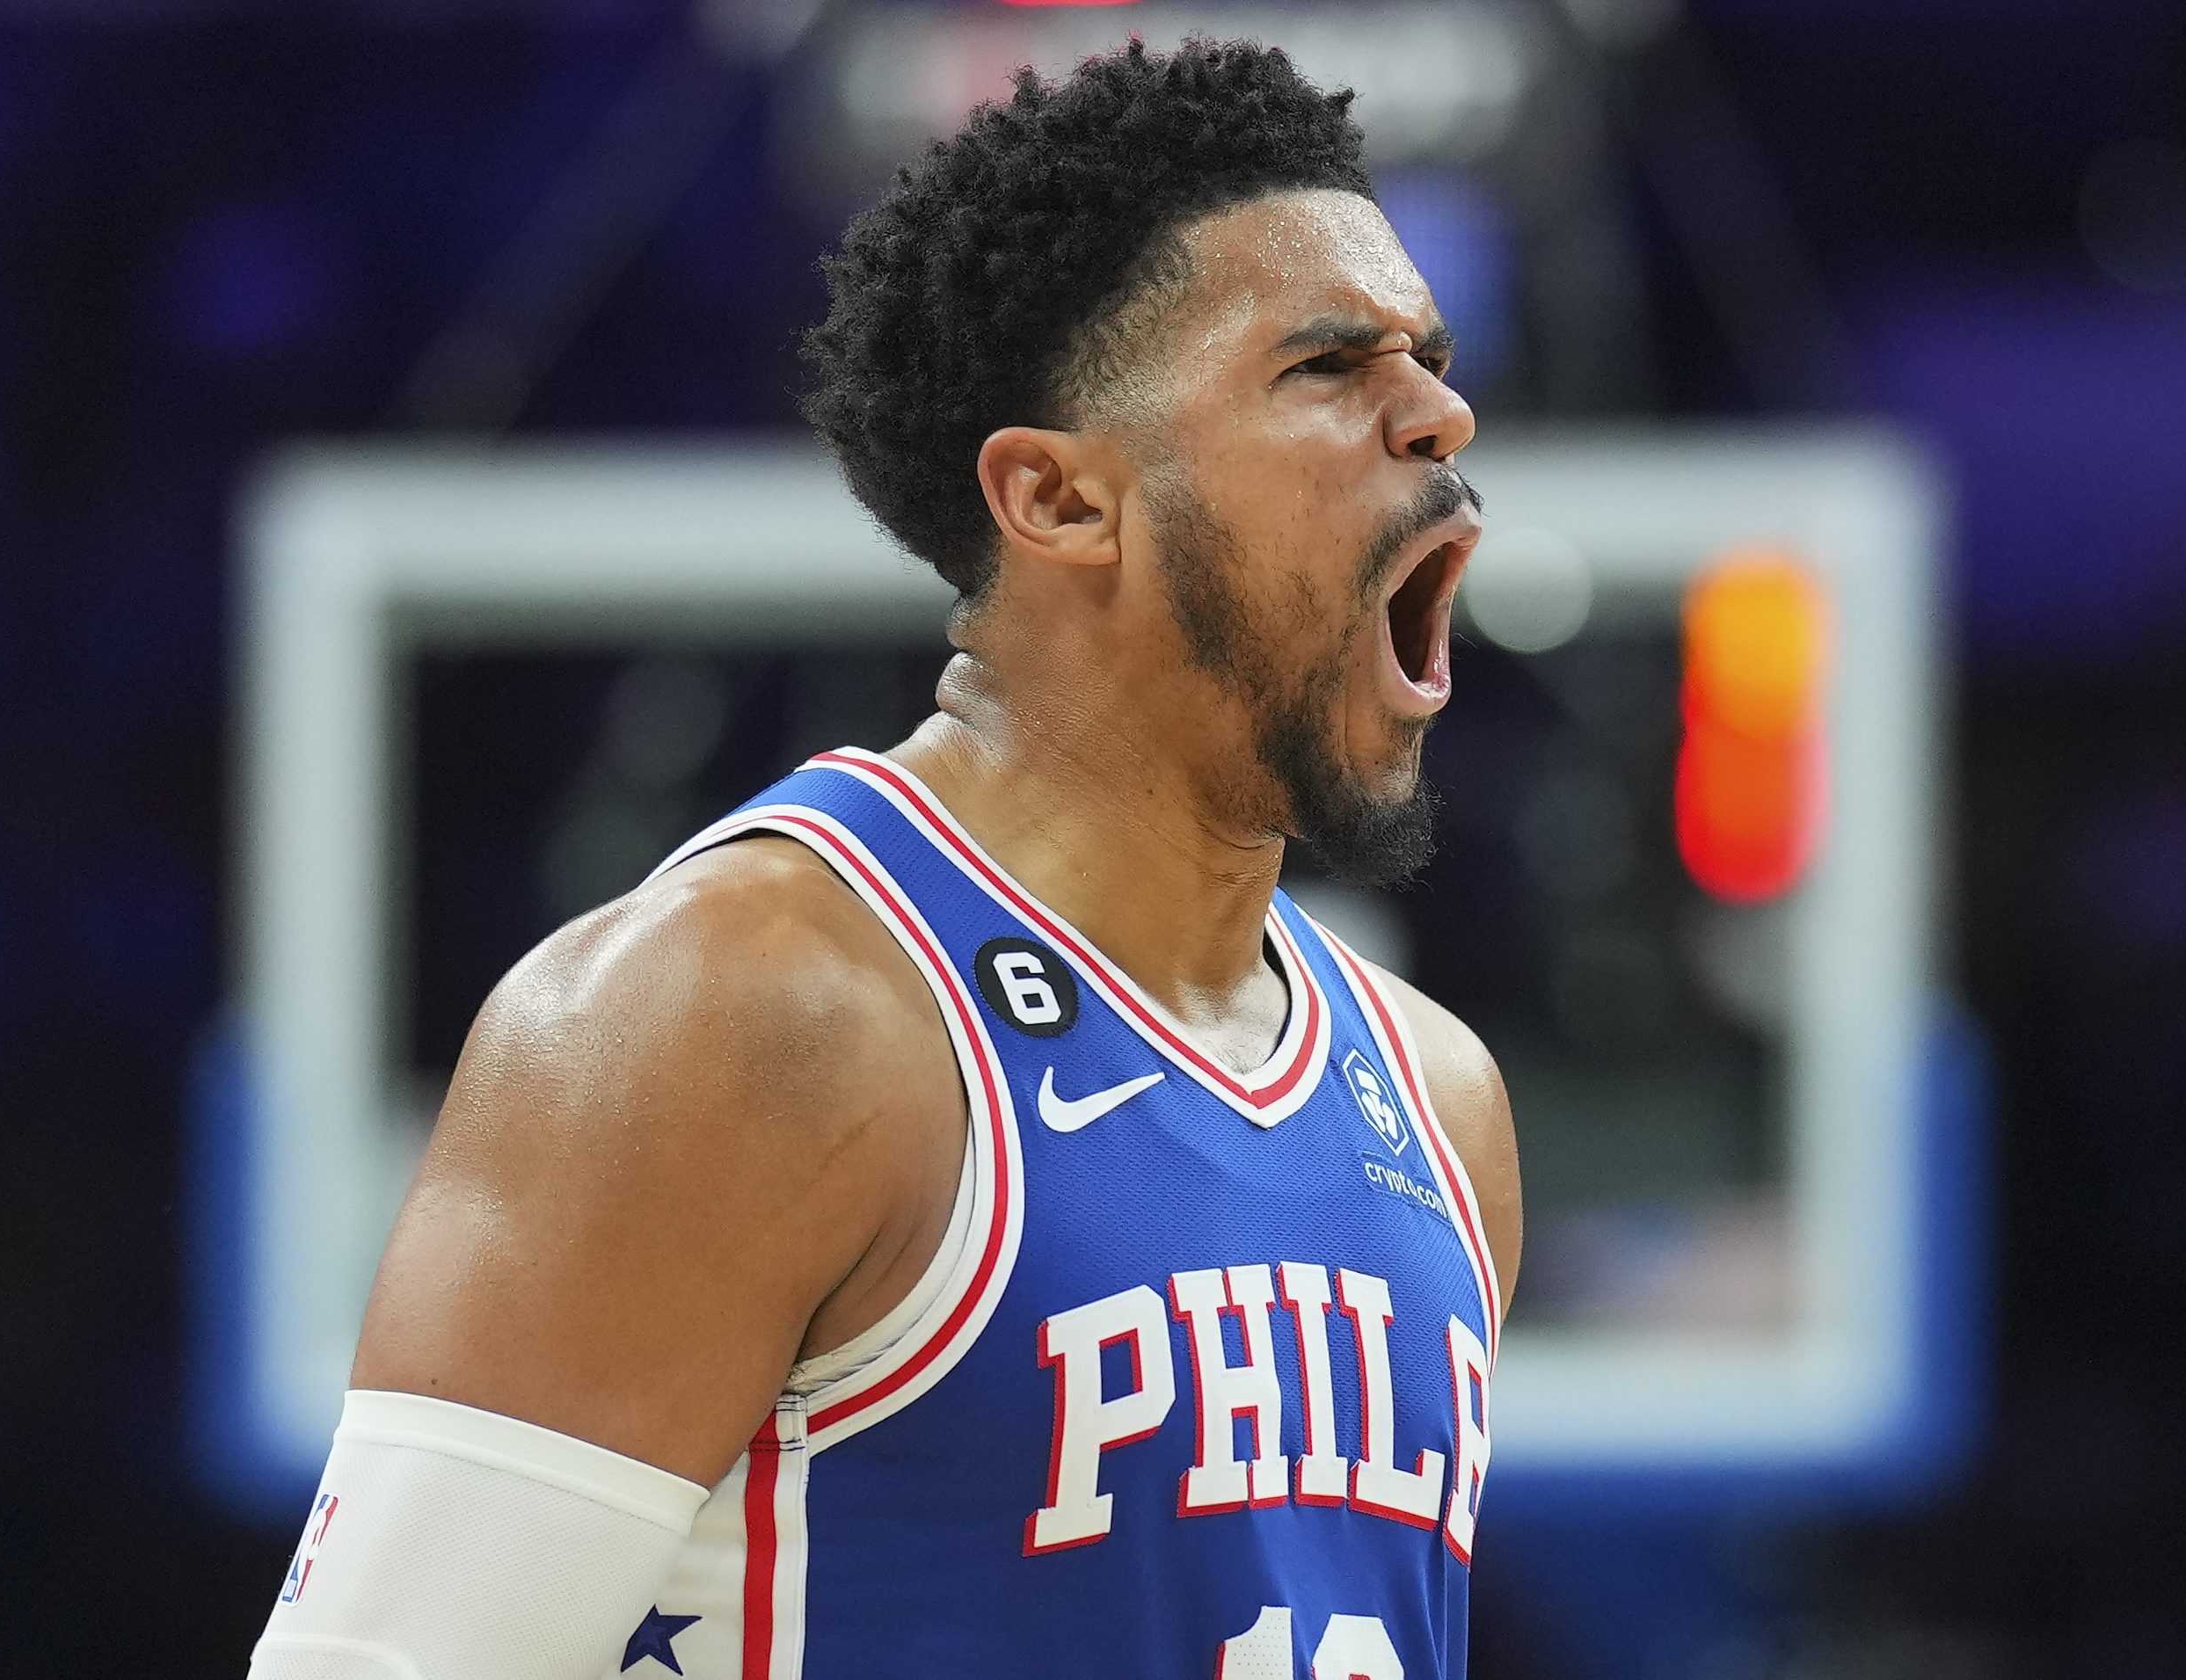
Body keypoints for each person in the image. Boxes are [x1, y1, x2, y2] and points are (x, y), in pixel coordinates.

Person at [250, 36, 1520, 1680]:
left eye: (1428, 356)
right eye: (1329, 365)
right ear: (1059, 499)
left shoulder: (1438, 1103)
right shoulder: (737, 1009)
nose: (1440, 413)